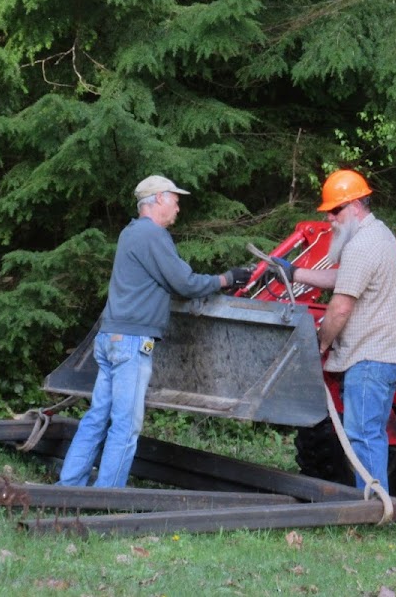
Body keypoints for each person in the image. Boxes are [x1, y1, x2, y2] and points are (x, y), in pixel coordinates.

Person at [59, 175, 253, 488]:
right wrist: (226, 279)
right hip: (132, 342)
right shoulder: (153, 235)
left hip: (110, 337)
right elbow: (184, 283)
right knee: (126, 423)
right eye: (175, 200)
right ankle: (105, 498)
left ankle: (68, 488)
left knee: (97, 417)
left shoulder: (130, 233)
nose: (178, 207)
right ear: (159, 199)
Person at [272, 169, 396, 491]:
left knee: (363, 434)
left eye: (335, 211)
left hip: (372, 356)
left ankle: (370, 506)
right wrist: (295, 272)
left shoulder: (363, 245)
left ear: (355, 206)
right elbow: (343, 279)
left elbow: (340, 307)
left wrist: (321, 344)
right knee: (371, 433)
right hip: (384, 353)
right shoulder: (377, 235)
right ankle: (374, 499)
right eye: (328, 213)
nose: (331, 220)